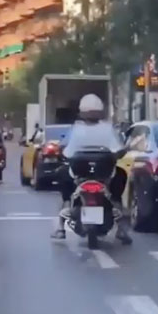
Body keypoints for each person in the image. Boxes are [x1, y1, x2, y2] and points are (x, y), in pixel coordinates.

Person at [51, 94, 132, 244]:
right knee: (120, 177)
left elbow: (64, 147)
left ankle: (62, 223)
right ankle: (120, 223)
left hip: (79, 176)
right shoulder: (108, 129)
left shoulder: (76, 128)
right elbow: (119, 149)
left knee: (63, 177)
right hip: (105, 177)